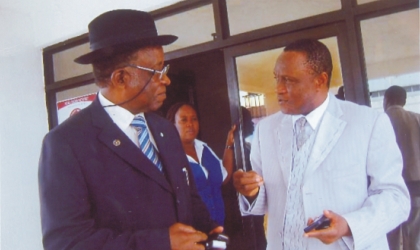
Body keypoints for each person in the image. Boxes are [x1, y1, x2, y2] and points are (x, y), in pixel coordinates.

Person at [38, 10, 222, 250]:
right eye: (158, 71)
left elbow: (188, 196)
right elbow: (66, 243)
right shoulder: (66, 143)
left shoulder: (165, 129)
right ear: (121, 78)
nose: (166, 80)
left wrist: (207, 229)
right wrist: (161, 243)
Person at [233, 39, 410, 249]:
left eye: (289, 80)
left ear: (320, 80)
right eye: (277, 78)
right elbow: (266, 198)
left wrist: (349, 225)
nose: (278, 89)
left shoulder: (368, 123)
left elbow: (396, 198)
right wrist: (250, 191)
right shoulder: (266, 130)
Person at [166, 102, 235, 226]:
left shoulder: (204, 148)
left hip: (218, 227)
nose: (190, 124)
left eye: (194, 119)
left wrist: (229, 144)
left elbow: (225, 177)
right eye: (183, 120)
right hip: (190, 232)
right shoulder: (168, 156)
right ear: (172, 124)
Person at [383, 85, 420, 250]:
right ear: (404, 101)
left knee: (391, 238)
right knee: (413, 237)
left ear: (386, 100)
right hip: (416, 186)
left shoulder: (379, 120)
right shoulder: (417, 118)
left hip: (389, 189)